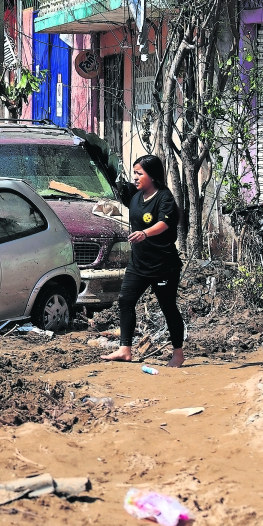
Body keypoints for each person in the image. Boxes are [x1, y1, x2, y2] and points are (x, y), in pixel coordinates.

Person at [103, 155, 186, 367]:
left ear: (153, 175)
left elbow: (164, 224)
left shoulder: (165, 198)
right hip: (138, 264)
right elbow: (114, 181)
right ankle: (125, 350)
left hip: (163, 266)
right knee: (125, 301)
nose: (136, 177)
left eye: (140, 173)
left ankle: (178, 354)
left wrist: (145, 233)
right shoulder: (135, 195)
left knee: (168, 307)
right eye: (135, 173)